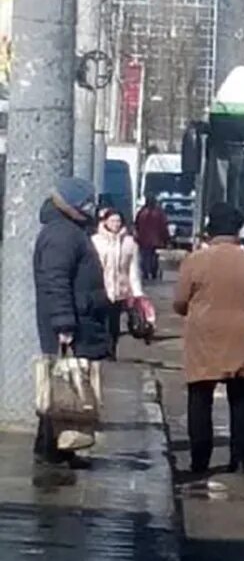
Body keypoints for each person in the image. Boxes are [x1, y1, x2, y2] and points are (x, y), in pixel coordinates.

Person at [174, 203, 244, 475]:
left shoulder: (195, 260)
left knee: (200, 395)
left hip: (205, 334)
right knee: (241, 399)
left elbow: (180, 301)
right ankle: (238, 458)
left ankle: (200, 459)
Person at [33, 177, 110, 483]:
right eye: (89, 203)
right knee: (65, 387)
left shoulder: (67, 231)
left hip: (77, 318)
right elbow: (56, 281)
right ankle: (55, 450)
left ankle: (55, 447)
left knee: (63, 388)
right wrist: (64, 323)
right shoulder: (63, 235)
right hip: (72, 323)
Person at [92, 208, 144, 359]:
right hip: (100, 288)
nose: (115, 224)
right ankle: (102, 350)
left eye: (118, 221)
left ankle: (111, 351)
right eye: (112, 221)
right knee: (101, 321)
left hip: (120, 290)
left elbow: (133, 270)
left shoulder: (129, 243)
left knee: (114, 324)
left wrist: (137, 293)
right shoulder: (95, 241)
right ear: (105, 222)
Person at [134, 196, 170, 281]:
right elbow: (163, 227)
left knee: (144, 256)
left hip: (143, 239)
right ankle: (153, 273)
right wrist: (166, 238)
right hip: (156, 239)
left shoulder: (141, 212)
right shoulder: (159, 213)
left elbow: (136, 225)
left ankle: (145, 273)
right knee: (154, 256)